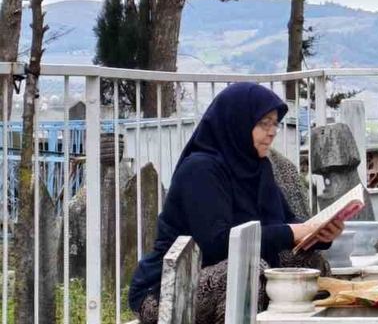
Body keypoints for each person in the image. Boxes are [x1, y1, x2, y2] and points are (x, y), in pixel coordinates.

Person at [128, 83, 345, 324]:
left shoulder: (258, 167)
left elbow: (286, 221)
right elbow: (217, 243)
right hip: (169, 289)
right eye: (264, 123)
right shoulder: (200, 170)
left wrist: (318, 234)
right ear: (237, 122)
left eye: (275, 124)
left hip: (228, 269)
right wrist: (293, 232)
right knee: (247, 270)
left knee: (309, 264)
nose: (272, 132)